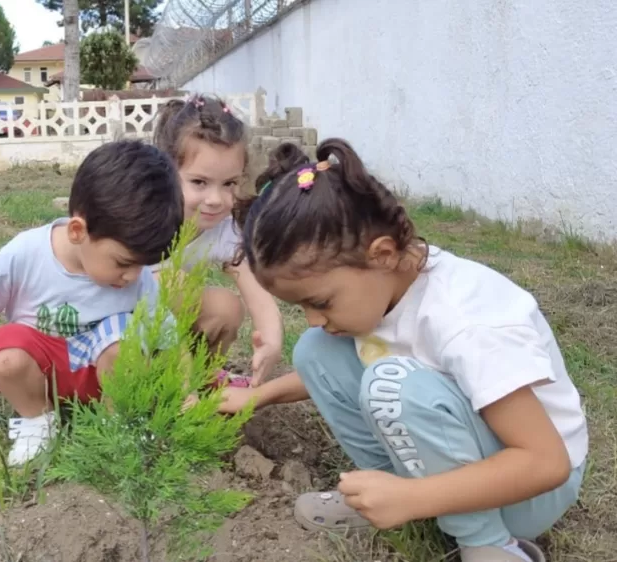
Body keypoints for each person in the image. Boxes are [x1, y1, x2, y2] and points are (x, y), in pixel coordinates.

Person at [220, 140, 588, 562]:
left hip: (529, 493)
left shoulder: (467, 324)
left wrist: (415, 497)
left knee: (390, 383)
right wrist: (258, 396)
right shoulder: (385, 287)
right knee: (315, 351)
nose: (314, 318)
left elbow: (546, 463)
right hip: (476, 459)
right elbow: (334, 366)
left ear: (381, 254)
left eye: (319, 302)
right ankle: (387, 491)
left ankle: (486, 541)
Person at [0, 139, 184, 467]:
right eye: (124, 263)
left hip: (101, 376)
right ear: (79, 231)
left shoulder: (137, 280)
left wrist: (183, 388)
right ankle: (38, 420)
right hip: (44, 370)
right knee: (6, 351)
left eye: (143, 266)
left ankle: (116, 423)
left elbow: (164, 337)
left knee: (129, 340)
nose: (133, 276)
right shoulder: (22, 254)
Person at [151, 94, 284, 388]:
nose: (215, 200)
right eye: (199, 182)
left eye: (229, 184)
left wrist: (271, 340)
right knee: (170, 283)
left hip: (169, 325)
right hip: (120, 332)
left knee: (227, 308)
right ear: (166, 173)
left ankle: (202, 379)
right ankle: (171, 382)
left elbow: (258, 294)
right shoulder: (144, 217)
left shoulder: (225, 228)